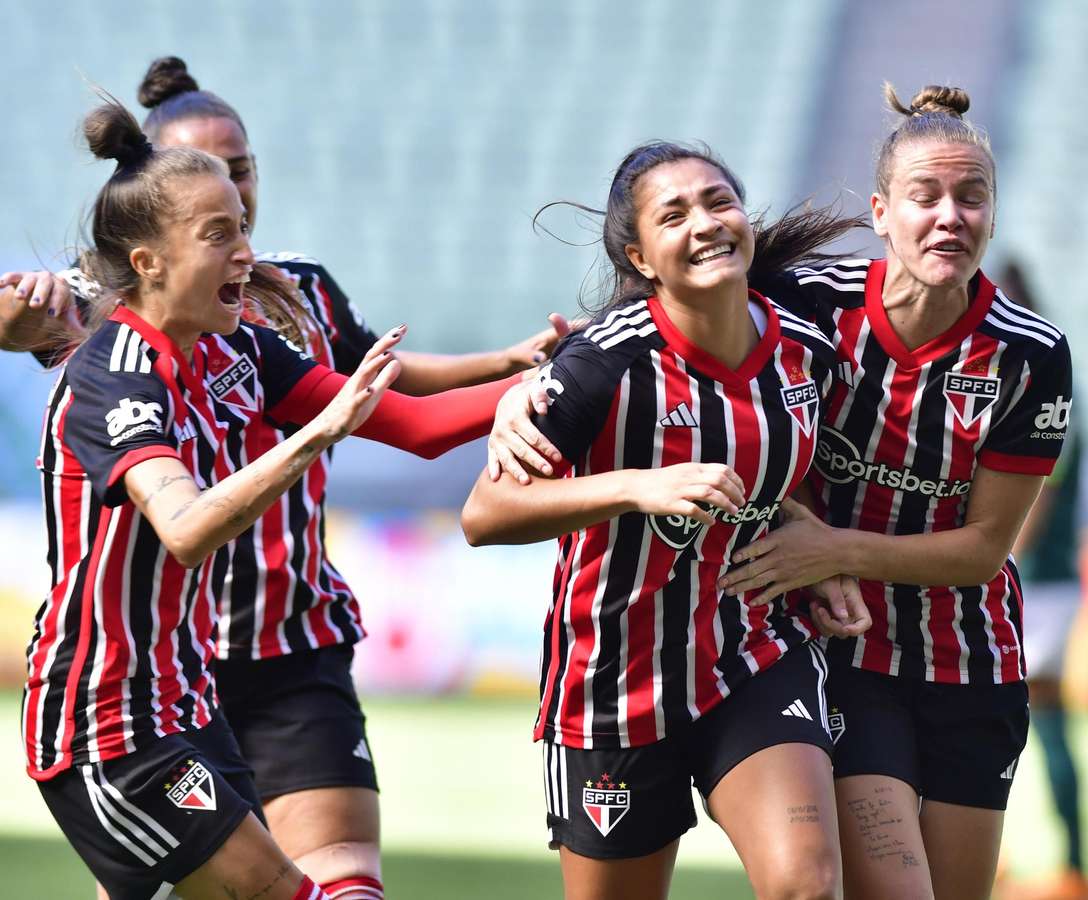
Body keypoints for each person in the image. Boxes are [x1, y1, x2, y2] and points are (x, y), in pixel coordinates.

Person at [4, 56, 566, 899]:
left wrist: (565, 379)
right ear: (149, 259)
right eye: (219, 232)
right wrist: (314, 439)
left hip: (191, 702)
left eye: (242, 209)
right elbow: (188, 529)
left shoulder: (239, 344)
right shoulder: (108, 369)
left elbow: (404, 420)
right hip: (107, 724)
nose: (248, 251)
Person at [464, 141, 871, 900]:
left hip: (753, 656)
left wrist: (828, 559)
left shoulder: (807, 351)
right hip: (612, 684)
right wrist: (636, 487)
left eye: (719, 201)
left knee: (808, 886)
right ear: (640, 257)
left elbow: (800, 480)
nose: (707, 223)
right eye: (674, 214)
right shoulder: (603, 363)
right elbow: (485, 514)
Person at [707, 85, 1074, 900]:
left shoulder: (1030, 352)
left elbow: (983, 553)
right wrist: (526, 391)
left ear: (992, 213)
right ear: (881, 213)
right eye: (926, 196)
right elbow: (687, 364)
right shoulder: (809, 306)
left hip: (974, 660)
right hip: (847, 657)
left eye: (972, 197)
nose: (951, 216)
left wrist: (830, 548)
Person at [990, 261, 1088, 900]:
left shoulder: (1039, 390)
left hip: (1030, 585)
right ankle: (1075, 865)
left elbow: (1035, 504)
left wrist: (984, 570)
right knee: (1043, 723)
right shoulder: (1054, 385)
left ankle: (1039, 863)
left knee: (985, 719)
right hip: (1050, 582)